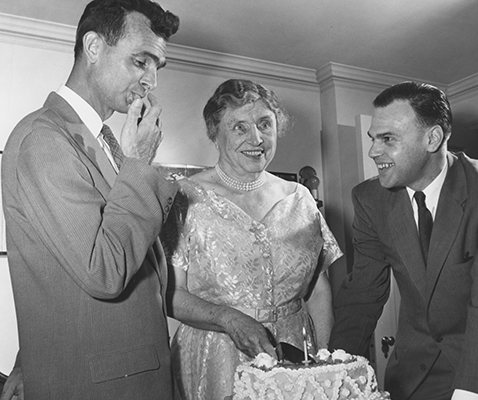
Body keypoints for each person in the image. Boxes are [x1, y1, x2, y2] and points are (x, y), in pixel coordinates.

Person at [329, 81, 478, 400]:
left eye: (388, 139)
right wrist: (333, 372)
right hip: (420, 371)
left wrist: (470, 393)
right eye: (372, 138)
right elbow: (363, 293)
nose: (373, 151)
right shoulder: (370, 199)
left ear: (433, 138)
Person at [1, 1, 180, 399]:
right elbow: (104, 271)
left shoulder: (103, 140)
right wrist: (138, 164)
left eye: (156, 67)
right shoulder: (43, 138)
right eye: (141, 61)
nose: (151, 80)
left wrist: (26, 359)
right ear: (94, 47)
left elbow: (56, 275)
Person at [162, 78, 342, 400]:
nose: (256, 138)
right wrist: (228, 319)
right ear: (215, 132)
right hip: (216, 356)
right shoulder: (184, 197)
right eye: (239, 127)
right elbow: (171, 293)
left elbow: (318, 289)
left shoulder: (300, 198)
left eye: (264, 124)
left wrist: (325, 359)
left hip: (295, 355)